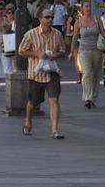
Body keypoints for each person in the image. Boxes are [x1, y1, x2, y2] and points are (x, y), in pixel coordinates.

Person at [19, 7, 66, 138]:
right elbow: (21, 51)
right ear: (40, 19)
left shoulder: (57, 34)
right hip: (36, 73)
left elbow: (63, 51)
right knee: (33, 101)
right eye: (47, 17)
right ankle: (28, 120)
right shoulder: (31, 34)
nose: (50, 19)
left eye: (51, 17)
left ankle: (55, 130)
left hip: (52, 72)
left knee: (54, 100)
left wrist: (55, 55)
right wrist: (36, 54)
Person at [70, 0, 103, 108]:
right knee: (87, 73)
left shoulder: (97, 19)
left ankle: (93, 97)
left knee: (96, 75)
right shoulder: (78, 22)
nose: (88, 8)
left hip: (97, 50)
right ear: (82, 8)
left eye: (90, 6)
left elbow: (103, 33)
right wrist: (72, 51)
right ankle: (88, 98)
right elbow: (75, 37)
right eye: (86, 6)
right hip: (84, 51)